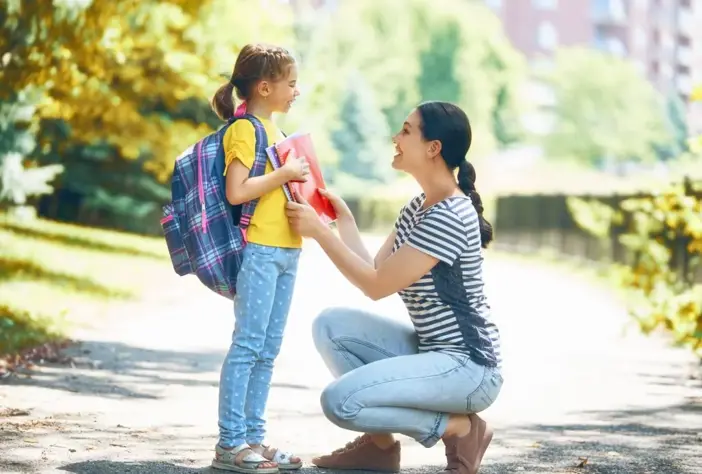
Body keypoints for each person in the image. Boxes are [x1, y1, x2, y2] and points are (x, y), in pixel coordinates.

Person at [285, 101, 504, 474]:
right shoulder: (419, 206)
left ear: (433, 148)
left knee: (340, 402)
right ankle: (380, 448)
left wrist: (320, 233)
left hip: (469, 368)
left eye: (406, 130)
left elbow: (376, 286)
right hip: (434, 353)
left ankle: (460, 429)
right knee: (330, 326)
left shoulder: (449, 214)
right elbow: (373, 269)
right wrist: (343, 221)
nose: (395, 137)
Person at [210, 43, 310, 473]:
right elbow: (238, 191)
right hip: (260, 250)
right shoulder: (245, 130)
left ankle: (253, 437)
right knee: (248, 344)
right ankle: (229, 444)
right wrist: (285, 174)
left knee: (268, 349)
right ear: (265, 87)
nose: (296, 91)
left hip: (288, 249)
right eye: (290, 83)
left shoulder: (281, 135)